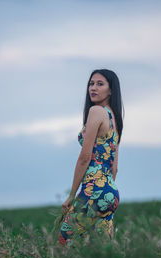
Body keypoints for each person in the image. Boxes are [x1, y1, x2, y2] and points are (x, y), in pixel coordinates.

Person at [58, 69, 124, 245]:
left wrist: (72, 195)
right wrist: (105, 193)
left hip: (94, 189)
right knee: (100, 252)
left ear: (111, 90)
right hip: (110, 191)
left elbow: (85, 157)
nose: (93, 88)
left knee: (64, 244)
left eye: (100, 84)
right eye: (91, 84)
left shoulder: (96, 111)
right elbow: (114, 167)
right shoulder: (114, 119)